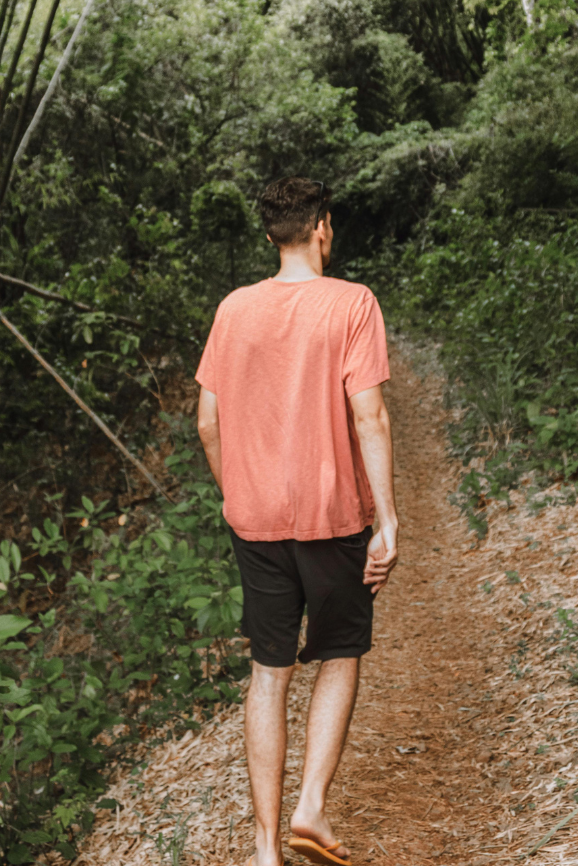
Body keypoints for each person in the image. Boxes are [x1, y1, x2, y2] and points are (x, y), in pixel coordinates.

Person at [196, 176, 399, 866]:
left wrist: (239, 495)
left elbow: (207, 422)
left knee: (268, 671)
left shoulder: (233, 309)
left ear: (270, 234)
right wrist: (389, 520)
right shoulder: (352, 303)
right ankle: (310, 808)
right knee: (339, 653)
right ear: (323, 228)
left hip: (254, 522)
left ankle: (263, 850)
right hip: (332, 515)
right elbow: (369, 413)